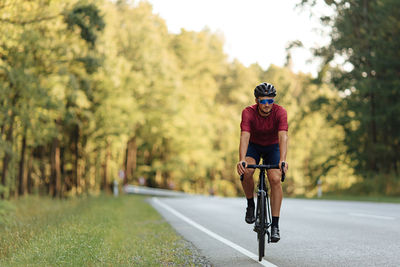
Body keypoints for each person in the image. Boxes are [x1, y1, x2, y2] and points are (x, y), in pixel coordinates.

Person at [236, 82, 288, 243]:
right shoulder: (248, 112)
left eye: (270, 101)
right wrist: (242, 159)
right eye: (263, 101)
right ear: (257, 100)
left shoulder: (280, 112)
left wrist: (283, 160)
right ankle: (251, 204)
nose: (267, 105)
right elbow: (244, 136)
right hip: (254, 146)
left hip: (273, 148)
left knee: (275, 179)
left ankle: (275, 226)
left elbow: (283, 137)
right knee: (247, 172)